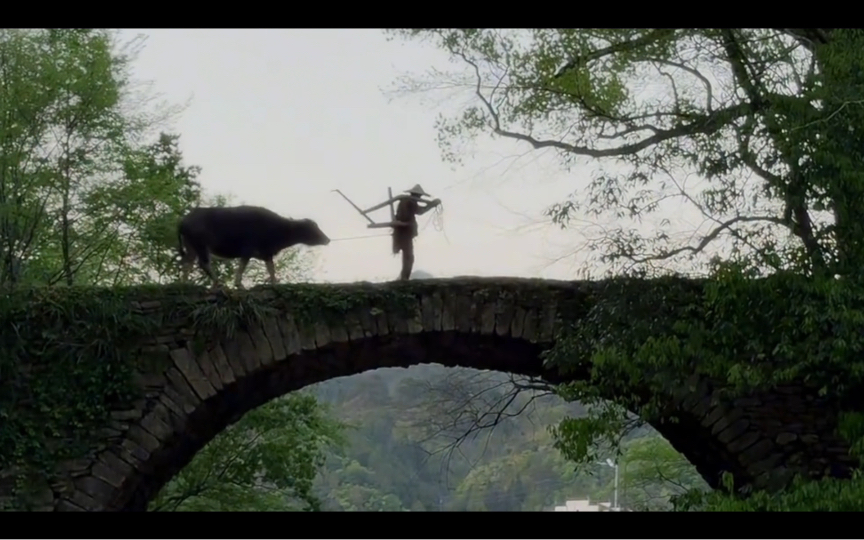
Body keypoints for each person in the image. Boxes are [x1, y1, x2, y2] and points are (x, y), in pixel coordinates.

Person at [391, 184, 440, 280]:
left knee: (407, 257)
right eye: (419, 196)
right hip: (404, 232)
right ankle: (404, 279)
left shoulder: (405, 201)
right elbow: (420, 211)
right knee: (409, 257)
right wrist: (432, 204)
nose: (419, 198)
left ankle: (404, 278)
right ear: (417, 195)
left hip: (401, 232)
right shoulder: (410, 201)